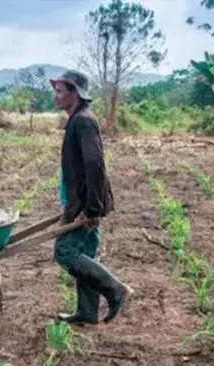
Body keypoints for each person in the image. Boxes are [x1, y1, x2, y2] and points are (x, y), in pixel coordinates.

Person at [49, 70, 133, 325]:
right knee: (86, 251)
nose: (56, 96)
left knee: (64, 251)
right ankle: (87, 311)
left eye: (60, 91)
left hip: (86, 204)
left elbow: (95, 165)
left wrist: (92, 209)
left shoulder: (83, 121)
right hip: (83, 201)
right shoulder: (77, 119)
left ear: (75, 93)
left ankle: (116, 290)